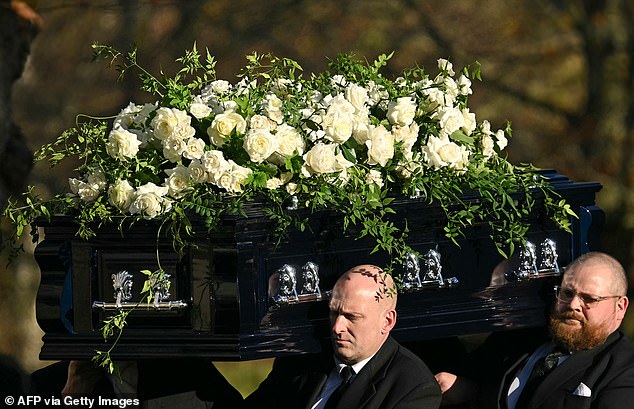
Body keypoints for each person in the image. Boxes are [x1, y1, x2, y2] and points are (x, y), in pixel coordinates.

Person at [435, 251, 634, 409]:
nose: (573, 304)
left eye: (589, 299)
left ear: (620, 307)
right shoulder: (521, 342)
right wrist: (469, 391)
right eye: (567, 293)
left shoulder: (624, 369)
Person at [244, 264, 442, 409]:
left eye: (352, 317)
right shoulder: (302, 362)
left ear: (387, 321)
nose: (337, 327)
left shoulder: (412, 387)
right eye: (334, 313)